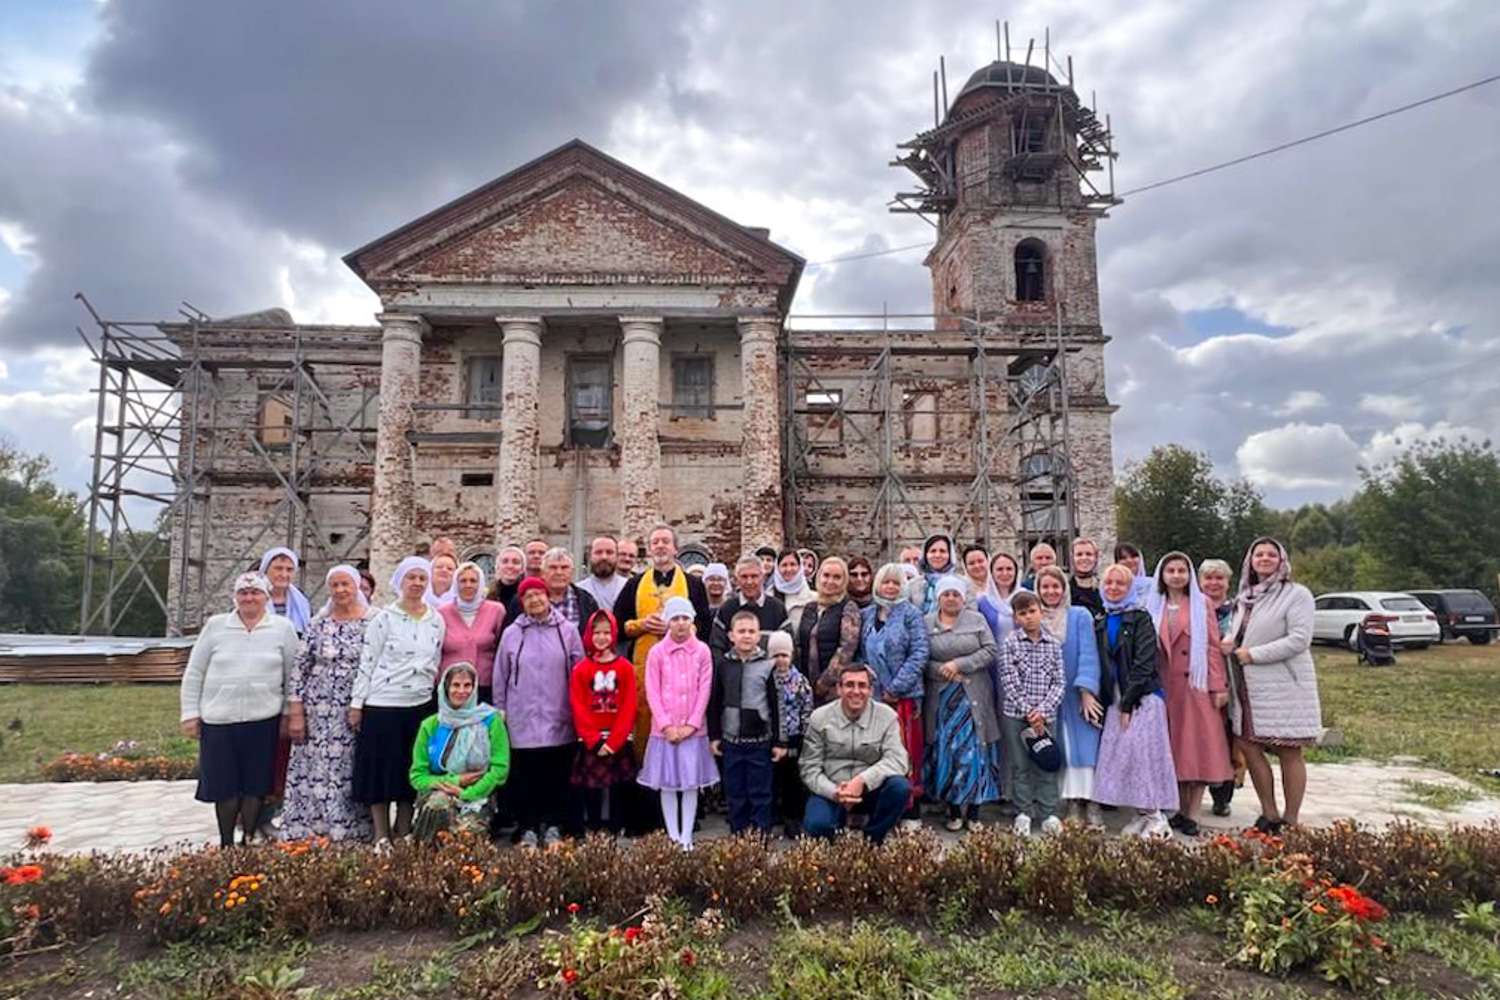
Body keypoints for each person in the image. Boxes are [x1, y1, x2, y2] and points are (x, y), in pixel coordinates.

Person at [181, 571, 298, 847]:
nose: (249, 598)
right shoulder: (216, 626)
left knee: (255, 784)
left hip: (263, 717)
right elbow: (195, 671)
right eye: (243, 593)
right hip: (219, 717)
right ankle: (226, 841)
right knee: (224, 785)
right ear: (235, 597)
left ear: (266, 597)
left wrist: (288, 712)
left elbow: (292, 674)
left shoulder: (282, 628)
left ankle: (247, 837)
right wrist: (189, 712)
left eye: (255, 592)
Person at [1225, 537, 1321, 833]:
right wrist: (1230, 643)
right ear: (1250, 560)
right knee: (1248, 745)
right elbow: (1240, 632)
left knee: (1289, 749)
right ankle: (1269, 813)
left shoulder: (1296, 595)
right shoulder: (1246, 597)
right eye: (1259, 554)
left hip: (1283, 685)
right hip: (1247, 686)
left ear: (1282, 560)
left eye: (1271, 554)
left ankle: (1291, 819)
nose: (1264, 559)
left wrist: (1254, 655)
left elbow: (1299, 639)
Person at [350, 556, 445, 844]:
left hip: (419, 704)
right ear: (400, 582)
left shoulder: (435, 619)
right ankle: (381, 834)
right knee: (380, 769)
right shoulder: (384, 618)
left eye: (421, 578)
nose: (416, 584)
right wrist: (357, 703)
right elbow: (368, 660)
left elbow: (436, 660)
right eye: (411, 578)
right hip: (383, 703)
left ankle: (403, 830)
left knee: (410, 768)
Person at [282, 565, 374, 842]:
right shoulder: (318, 624)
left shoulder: (373, 621)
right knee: (316, 768)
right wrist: (295, 711)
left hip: (356, 707)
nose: (341, 590)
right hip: (318, 710)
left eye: (346, 584)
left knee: (350, 767)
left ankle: (352, 830)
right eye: (335, 585)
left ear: (357, 586)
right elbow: (300, 668)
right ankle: (312, 829)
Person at [495, 576, 585, 847]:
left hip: (558, 715)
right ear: (522, 602)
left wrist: (579, 711)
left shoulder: (567, 630)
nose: (534, 600)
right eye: (528, 596)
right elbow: (501, 674)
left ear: (548, 597)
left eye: (539, 594)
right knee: (526, 776)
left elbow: (579, 672)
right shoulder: (512, 633)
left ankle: (554, 824)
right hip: (523, 716)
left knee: (557, 774)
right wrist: (500, 709)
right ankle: (528, 826)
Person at [1147, 552, 1231, 838]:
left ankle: (1192, 813)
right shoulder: (1151, 605)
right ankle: (1175, 810)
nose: (1176, 575)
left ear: (1189, 575)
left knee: (1196, 750)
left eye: (1182, 570)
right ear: (1162, 575)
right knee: (1172, 752)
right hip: (1163, 688)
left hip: (1195, 685)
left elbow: (1212, 646)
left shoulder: (1201, 604)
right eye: (1170, 570)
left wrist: (1218, 685)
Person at [1091, 563, 1177, 838]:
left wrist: (1128, 703)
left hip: (1142, 698)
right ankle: (1141, 814)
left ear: (1130, 588)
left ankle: (1156, 816)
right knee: (1124, 758)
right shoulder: (1102, 620)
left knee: (1143, 757)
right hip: (1116, 699)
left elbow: (1144, 664)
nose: (1114, 588)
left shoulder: (1140, 618)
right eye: (1109, 583)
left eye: (1121, 584)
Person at [613, 524, 711, 758]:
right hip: (644, 666)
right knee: (645, 717)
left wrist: (676, 627)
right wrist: (641, 625)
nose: (660, 546)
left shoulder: (693, 584)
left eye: (665, 541)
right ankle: (644, 778)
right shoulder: (634, 584)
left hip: (684, 672)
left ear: (676, 548)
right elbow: (617, 626)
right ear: (649, 549)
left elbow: (704, 627)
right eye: (655, 542)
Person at [923, 575, 1002, 831]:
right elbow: (921, 658)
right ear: (939, 598)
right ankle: (954, 810)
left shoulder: (977, 620)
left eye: (956, 594)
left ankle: (975, 812)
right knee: (949, 751)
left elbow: (991, 650)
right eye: (946, 594)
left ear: (963, 597)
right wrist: (943, 670)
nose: (951, 599)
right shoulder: (926, 623)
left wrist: (960, 664)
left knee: (976, 754)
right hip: (943, 698)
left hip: (974, 696)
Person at [638, 597, 717, 850]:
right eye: (675, 619)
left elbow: (704, 689)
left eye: (685, 618)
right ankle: (672, 835)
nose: (680, 624)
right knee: (669, 784)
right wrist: (665, 725)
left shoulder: (702, 651)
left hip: (693, 731)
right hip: (665, 732)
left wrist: (692, 725)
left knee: (690, 783)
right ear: (667, 622)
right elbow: (652, 690)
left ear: (692, 620)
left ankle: (687, 836)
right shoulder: (657, 652)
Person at [800, 663, 911, 844]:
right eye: (850, 685)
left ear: (870, 690)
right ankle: (834, 843)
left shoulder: (887, 716)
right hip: (833, 788)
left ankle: (873, 841)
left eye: (862, 685)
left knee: (900, 787)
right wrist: (835, 792)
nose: (856, 691)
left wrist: (862, 781)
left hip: (871, 789)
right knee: (817, 825)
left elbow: (898, 760)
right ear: (839, 689)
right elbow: (809, 767)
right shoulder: (819, 717)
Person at [1034, 566, 1104, 828]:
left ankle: (1093, 801)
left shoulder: (1078, 615)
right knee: (1061, 747)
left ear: (1064, 589)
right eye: (1045, 587)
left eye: (1056, 586)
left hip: (1077, 692)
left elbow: (1088, 652)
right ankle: (1072, 802)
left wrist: (1087, 690)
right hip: (1049, 695)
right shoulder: (1035, 617)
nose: (1051, 592)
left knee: (1085, 746)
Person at [409, 663, 511, 843]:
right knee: (438, 807)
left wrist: (467, 793)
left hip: (479, 793)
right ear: (445, 687)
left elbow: (499, 770)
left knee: (467, 833)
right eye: (456, 685)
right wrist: (455, 781)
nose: (461, 691)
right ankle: (426, 865)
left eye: (467, 686)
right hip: (438, 792)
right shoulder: (430, 725)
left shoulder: (490, 720)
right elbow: (417, 777)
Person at [861, 563, 929, 829]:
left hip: (903, 697)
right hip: (873, 698)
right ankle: (878, 806)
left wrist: (896, 687)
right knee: (875, 753)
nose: (890, 587)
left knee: (906, 752)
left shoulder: (911, 614)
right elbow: (860, 653)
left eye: (895, 583)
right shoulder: (867, 614)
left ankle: (910, 809)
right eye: (885, 582)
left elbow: (919, 653)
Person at [996, 590, 1065, 837]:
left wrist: (1043, 711)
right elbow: (1009, 681)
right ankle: (1023, 811)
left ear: (1041, 611)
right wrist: (1028, 711)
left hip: (1046, 717)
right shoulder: (1010, 644)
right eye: (1022, 613)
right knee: (1020, 764)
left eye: (1032, 611)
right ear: (1015, 618)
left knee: (1047, 763)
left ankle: (1048, 812)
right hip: (1016, 715)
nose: (1028, 617)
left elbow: (1059, 682)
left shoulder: (1053, 644)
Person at [709, 610, 784, 836]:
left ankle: (761, 837)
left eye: (752, 631)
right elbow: (715, 702)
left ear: (759, 635)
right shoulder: (723, 665)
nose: (747, 636)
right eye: (741, 631)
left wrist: (779, 740)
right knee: (735, 792)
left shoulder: (768, 665)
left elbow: (775, 704)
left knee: (760, 792)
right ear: (731, 636)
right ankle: (738, 837)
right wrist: (714, 736)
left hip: (760, 741)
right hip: (732, 741)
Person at [568, 609, 638, 834]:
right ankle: (595, 827)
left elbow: (629, 706)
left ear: (614, 634)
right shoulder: (581, 669)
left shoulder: (625, 668)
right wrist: (594, 740)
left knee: (619, 784)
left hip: (617, 738)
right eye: (597, 632)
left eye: (607, 633)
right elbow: (578, 706)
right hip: (592, 739)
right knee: (592, 786)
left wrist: (615, 740)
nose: (602, 637)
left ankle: (617, 826)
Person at [1199, 557, 1246, 817]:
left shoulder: (1237, 611)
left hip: (1230, 680)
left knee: (1226, 738)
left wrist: (1235, 647)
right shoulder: (1192, 607)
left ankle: (1222, 796)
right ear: (1200, 581)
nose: (1214, 583)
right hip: (1196, 682)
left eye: (1219, 578)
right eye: (1208, 578)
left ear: (1228, 582)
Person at [791, 556, 863, 704]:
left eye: (837, 577)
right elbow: (799, 644)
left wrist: (825, 682)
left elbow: (846, 649)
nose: (830, 581)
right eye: (826, 575)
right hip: (805, 685)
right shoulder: (810, 607)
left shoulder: (848, 608)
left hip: (833, 688)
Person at [438, 561, 506, 706]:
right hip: (451, 688)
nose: (468, 585)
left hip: (484, 686)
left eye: (473, 581)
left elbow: (502, 647)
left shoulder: (496, 610)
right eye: (463, 581)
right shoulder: (442, 613)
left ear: (480, 584)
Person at [766, 630, 812, 837]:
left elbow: (806, 708)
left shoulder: (799, 681)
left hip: (794, 736)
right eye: (775, 655)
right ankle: (774, 814)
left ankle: (793, 818)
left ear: (791, 656)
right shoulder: (766, 679)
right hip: (773, 737)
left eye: (784, 655)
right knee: (773, 778)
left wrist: (804, 734)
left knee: (793, 779)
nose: (780, 660)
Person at [710, 555, 788, 654]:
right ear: (737, 579)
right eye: (744, 577)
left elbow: (787, 648)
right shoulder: (727, 608)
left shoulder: (777, 608)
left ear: (763, 578)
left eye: (754, 576)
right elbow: (716, 648)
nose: (749, 582)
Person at [510, 547, 597, 633]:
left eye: (564, 567)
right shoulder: (523, 600)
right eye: (553, 567)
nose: (559, 572)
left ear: (572, 572)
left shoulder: (587, 601)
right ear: (542, 572)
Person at [260, 547, 312, 633]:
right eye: (278, 568)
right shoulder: (251, 596)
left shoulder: (301, 600)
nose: (284, 574)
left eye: (289, 570)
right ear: (265, 570)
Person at [976, 552, 1020, 645]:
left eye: (1009, 569)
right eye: (999, 569)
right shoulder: (982, 602)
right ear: (991, 573)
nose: (1005, 573)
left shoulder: (1026, 598)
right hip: (993, 657)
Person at [906, 534, 956, 613]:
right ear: (925, 555)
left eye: (942, 551)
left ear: (950, 555)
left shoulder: (962, 583)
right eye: (933, 551)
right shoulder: (912, 585)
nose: (937, 555)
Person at [577, 536, 627, 611]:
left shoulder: (628, 587)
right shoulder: (579, 590)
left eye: (609, 552)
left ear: (617, 556)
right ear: (590, 556)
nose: (604, 557)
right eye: (598, 552)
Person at [769, 548, 816, 612]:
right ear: (777, 568)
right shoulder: (767, 595)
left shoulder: (813, 599)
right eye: (784, 565)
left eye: (793, 564)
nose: (789, 569)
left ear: (800, 567)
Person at [1069, 538, 1104, 618]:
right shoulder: (1065, 591)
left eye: (1089, 554)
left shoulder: (1105, 589)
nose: (1084, 558)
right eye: (1079, 554)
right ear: (1072, 558)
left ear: (1096, 558)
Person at [960, 544, 992, 609]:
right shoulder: (961, 588)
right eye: (971, 563)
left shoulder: (999, 584)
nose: (977, 566)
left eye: (980, 561)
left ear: (988, 561)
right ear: (965, 566)